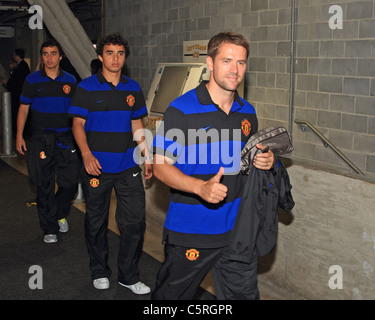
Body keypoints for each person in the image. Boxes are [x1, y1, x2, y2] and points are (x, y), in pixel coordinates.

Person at [151, 32, 275, 300]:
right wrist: (200, 187)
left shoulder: (247, 112)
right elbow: (160, 166)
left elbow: (244, 161)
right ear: (209, 63)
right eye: (227, 61)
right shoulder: (181, 110)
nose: (235, 70)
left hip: (237, 232)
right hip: (192, 231)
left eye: (241, 63)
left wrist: (264, 160)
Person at [69, 33, 152, 293]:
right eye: (109, 53)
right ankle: (99, 269)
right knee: (96, 221)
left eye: (120, 53)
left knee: (135, 221)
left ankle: (128, 275)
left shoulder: (133, 88)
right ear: (100, 55)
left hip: (128, 166)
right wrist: (86, 154)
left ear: (124, 57)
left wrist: (146, 154)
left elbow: (137, 123)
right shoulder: (86, 88)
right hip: (97, 166)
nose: (115, 58)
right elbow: (77, 124)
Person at [16, 39, 81, 244]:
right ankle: (49, 227)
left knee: (70, 183)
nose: (49, 58)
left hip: (66, 138)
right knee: (44, 184)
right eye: (45, 54)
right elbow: (24, 108)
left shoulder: (70, 80)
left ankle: (60, 212)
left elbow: (78, 112)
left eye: (53, 53)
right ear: (41, 57)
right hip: (40, 139)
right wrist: (19, 135)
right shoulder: (32, 80)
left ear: (60, 56)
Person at [2, 49, 31, 135]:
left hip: (18, 95)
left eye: (14, 55)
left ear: (17, 56)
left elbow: (16, 82)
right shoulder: (23, 66)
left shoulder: (21, 67)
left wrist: (7, 84)